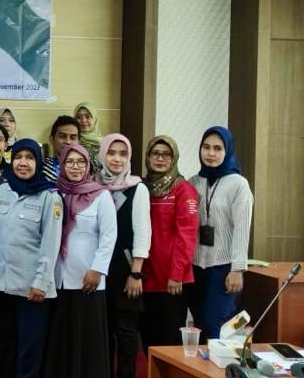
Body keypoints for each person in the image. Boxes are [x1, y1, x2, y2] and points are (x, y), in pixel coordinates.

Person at [0, 139, 62, 378]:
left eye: (30, 158)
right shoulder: (2, 191)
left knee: (28, 354)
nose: (23, 163)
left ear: (38, 162)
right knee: (2, 349)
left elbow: (51, 243)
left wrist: (42, 282)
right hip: (1, 287)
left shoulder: (49, 197)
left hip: (32, 290)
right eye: (19, 157)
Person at [43, 144, 116, 378]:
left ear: (88, 166)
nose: (75, 167)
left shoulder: (101, 196)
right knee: (61, 342)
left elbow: (109, 236)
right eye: (70, 161)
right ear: (62, 165)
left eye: (81, 162)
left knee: (88, 344)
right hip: (59, 280)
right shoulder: (55, 194)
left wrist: (98, 269)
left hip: (88, 280)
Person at [95, 134, 151, 378]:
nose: (116, 159)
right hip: (99, 270)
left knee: (126, 332)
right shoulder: (93, 185)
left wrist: (136, 273)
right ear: (102, 155)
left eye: (123, 154)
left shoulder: (138, 188)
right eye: (111, 153)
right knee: (103, 332)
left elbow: (143, 232)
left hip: (126, 270)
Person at [189, 126, 252, 340]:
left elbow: (242, 229)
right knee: (199, 323)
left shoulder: (239, 184)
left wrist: (237, 269)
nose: (211, 153)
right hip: (196, 266)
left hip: (224, 267)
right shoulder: (193, 182)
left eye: (218, 148)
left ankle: (219, 362)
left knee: (213, 323)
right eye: (206, 147)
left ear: (228, 151)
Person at [141, 136, 198, 347]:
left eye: (166, 155)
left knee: (170, 342)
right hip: (146, 277)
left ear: (174, 159)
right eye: (155, 153)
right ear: (148, 157)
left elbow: (187, 235)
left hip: (172, 281)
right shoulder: (142, 187)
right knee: (148, 339)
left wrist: (176, 274)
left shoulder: (183, 189)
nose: (160, 159)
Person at [42, 116, 80, 182]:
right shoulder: (42, 167)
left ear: (79, 142)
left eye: (73, 138)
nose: (68, 142)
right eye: (62, 136)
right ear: (52, 140)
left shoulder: (85, 167)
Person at [74, 103, 103, 173]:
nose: (83, 120)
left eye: (88, 116)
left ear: (95, 119)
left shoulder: (106, 144)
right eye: (79, 117)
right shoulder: (72, 142)